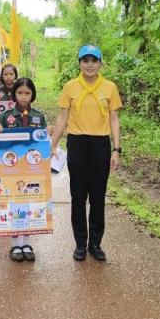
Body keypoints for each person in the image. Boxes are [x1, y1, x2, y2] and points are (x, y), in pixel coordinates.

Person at [49, 44, 121, 262]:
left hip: (100, 145)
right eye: (85, 61)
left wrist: (116, 149)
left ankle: (95, 244)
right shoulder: (70, 87)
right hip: (77, 143)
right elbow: (62, 118)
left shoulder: (110, 87)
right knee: (78, 195)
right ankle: (80, 243)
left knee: (98, 196)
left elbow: (114, 119)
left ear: (100, 64)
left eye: (94, 61)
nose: (90, 65)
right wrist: (53, 144)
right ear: (79, 63)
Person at [0, 77, 47, 263]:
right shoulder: (6, 116)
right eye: (20, 93)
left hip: (32, 169)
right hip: (11, 169)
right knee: (14, 202)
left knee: (30, 202)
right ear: (14, 94)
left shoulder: (39, 117)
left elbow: (43, 142)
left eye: (27, 93)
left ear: (33, 95)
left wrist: (48, 134)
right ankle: (15, 243)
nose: (23, 97)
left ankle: (27, 243)